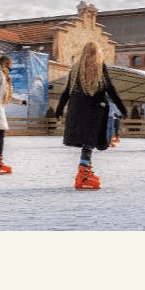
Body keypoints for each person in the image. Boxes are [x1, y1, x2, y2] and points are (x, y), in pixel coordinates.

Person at [55, 42, 127, 190]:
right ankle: (84, 173)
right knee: (89, 140)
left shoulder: (75, 68)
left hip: (77, 107)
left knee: (87, 141)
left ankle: (85, 169)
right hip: (93, 108)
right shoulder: (99, 67)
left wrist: (59, 109)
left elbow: (67, 90)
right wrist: (122, 108)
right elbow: (110, 89)